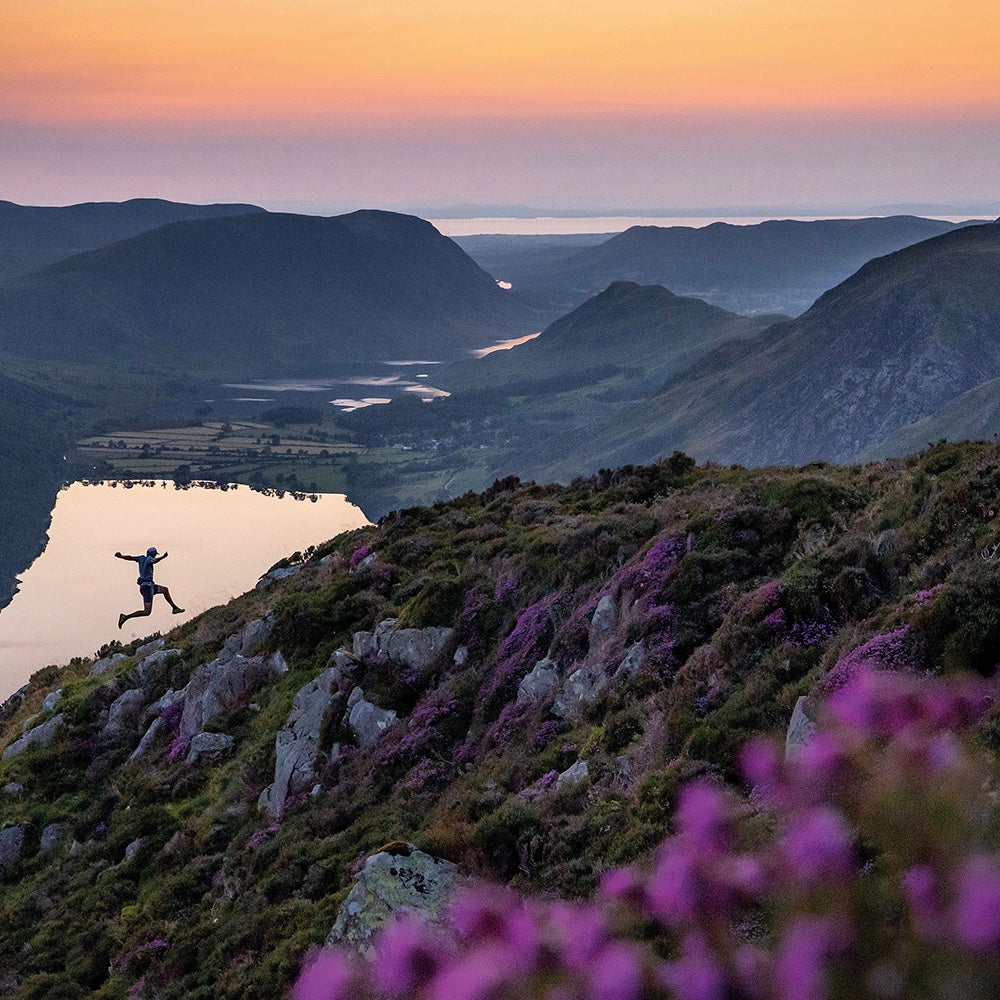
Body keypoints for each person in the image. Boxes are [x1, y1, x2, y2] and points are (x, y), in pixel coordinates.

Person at [115, 546, 184, 628]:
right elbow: (153, 561)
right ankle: (126, 617)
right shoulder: (149, 559)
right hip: (147, 588)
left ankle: (175, 608)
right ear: (153, 554)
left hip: (148, 586)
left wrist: (121, 556)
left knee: (165, 590)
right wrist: (163, 557)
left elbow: (130, 558)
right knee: (147, 612)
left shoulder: (141, 558)